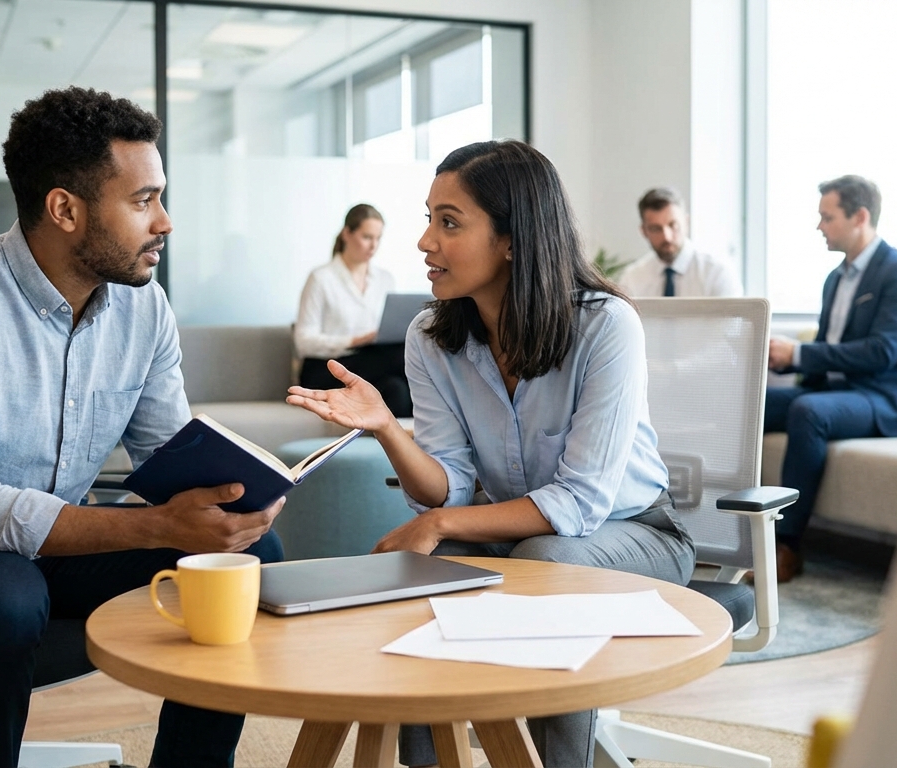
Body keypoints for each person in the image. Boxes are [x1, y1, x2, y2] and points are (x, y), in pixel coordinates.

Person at [0, 87, 285, 768]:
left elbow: (167, 454)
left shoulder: (144, 309)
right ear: (64, 209)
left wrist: (233, 498)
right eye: (143, 200)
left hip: (45, 548)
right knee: (4, 594)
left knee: (249, 557)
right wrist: (159, 525)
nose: (164, 222)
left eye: (161, 198)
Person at [287, 140, 695, 768]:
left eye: (449, 222)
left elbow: (580, 503)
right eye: (428, 218)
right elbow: (446, 485)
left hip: (637, 532)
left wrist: (442, 521)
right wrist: (389, 432)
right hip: (515, 533)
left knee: (546, 557)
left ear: (513, 239)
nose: (425, 242)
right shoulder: (431, 337)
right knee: (423, 573)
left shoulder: (606, 326)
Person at [765, 175, 897, 582]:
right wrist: (784, 361)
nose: (819, 227)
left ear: (860, 216)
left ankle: (786, 545)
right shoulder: (835, 279)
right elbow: (830, 348)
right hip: (844, 392)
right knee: (757, 403)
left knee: (808, 411)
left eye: (827, 217)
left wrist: (800, 352)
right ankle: (720, 529)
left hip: (890, 398)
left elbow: (882, 352)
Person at [294, 204, 412, 417]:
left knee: (398, 390)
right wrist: (354, 341)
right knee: (401, 355)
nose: (373, 246)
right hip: (326, 367)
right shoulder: (321, 278)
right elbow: (303, 342)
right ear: (347, 234)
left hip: (370, 366)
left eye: (378, 238)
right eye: (367, 237)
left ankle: (405, 448)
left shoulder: (385, 279)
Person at [617, 187, 743, 298]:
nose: (667, 237)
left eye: (673, 225)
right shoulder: (632, 279)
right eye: (656, 229)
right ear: (644, 231)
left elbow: (733, 324)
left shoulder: (716, 273)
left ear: (686, 222)